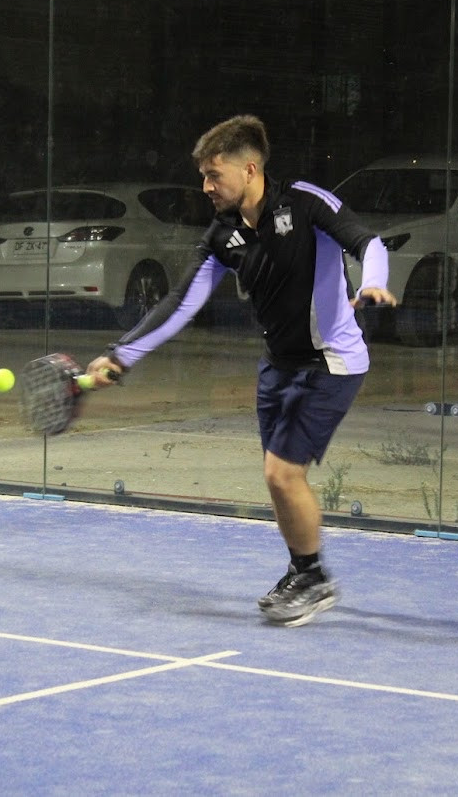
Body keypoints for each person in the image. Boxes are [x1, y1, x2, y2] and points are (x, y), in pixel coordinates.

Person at [85, 115, 396, 627]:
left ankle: (315, 579)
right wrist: (121, 355)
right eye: (204, 177)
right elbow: (181, 302)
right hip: (277, 366)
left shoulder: (304, 202)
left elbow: (368, 242)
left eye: (214, 175)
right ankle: (303, 571)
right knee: (279, 479)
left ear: (249, 169)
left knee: (281, 472)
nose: (206, 187)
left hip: (331, 362)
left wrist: (372, 283)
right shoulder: (222, 235)